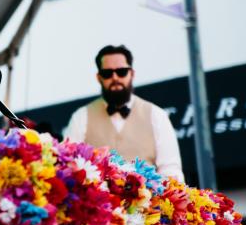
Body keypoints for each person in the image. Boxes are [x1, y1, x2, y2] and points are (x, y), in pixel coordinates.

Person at [64, 45, 184, 182]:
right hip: (96, 201)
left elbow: (170, 170)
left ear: (132, 73)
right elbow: (70, 164)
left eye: (121, 72)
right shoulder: (81, 117)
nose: (115, 78)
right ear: (99, 78)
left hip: (149, 201)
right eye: (107, 73)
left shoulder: (156, 115)